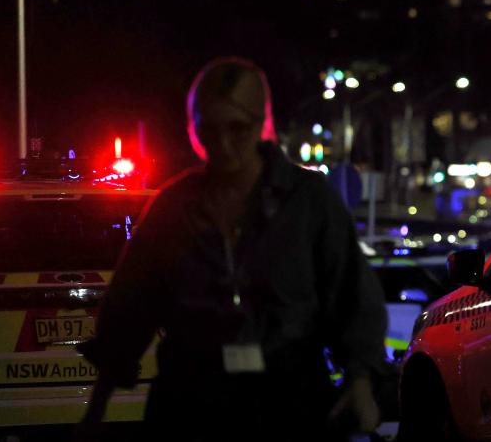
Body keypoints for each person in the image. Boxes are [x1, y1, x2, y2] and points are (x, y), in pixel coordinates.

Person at [78, 57, 389, 440]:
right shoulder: (173, 208)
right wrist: (97, 406)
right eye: (209, 130)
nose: (223, 144)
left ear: (262, 124)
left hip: (289, 402)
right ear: (194, 130)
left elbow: (353, 295)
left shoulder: (309, 202)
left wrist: (360, 381)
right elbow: (130, 305)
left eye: (237, 129)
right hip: (192, 404)